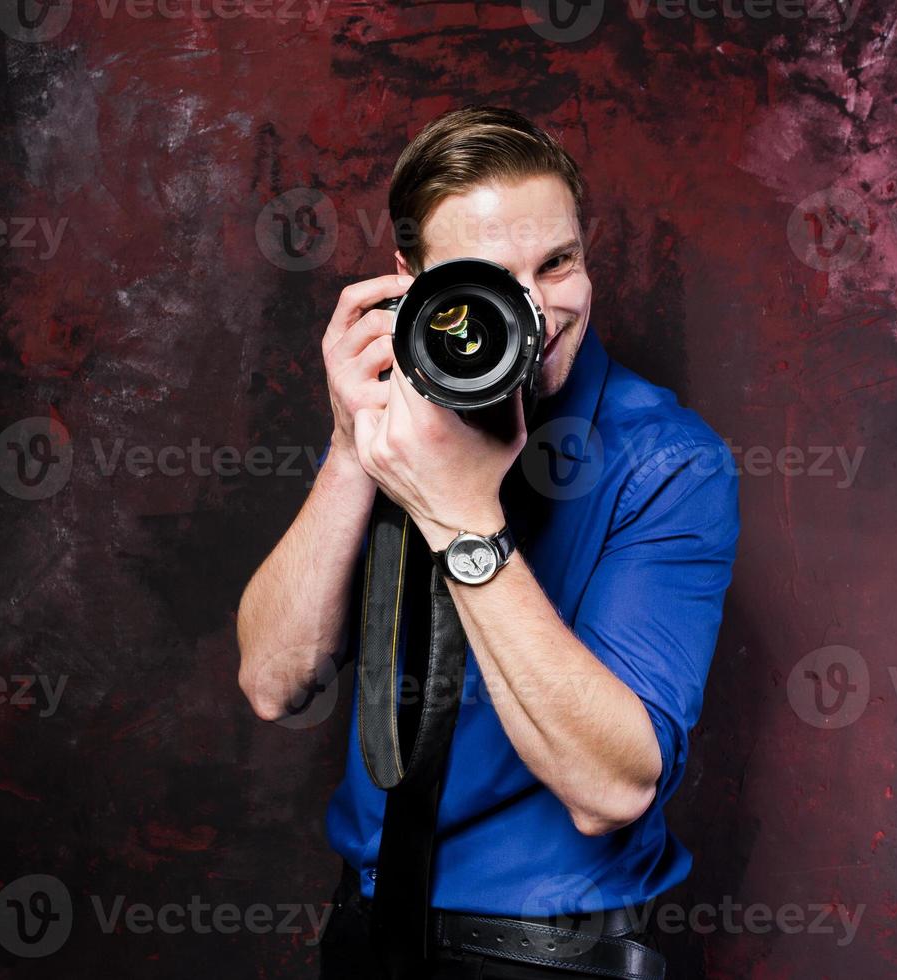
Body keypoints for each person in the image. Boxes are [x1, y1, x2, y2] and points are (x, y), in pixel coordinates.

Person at [237, 105, 740, 979]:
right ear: (411, 284)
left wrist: (463, 517)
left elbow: (612, 788)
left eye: (559, 263)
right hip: (362, 935)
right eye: (488, 278)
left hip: (549, 956)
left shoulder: (667, 460)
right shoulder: (393, 427)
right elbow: (273, 682)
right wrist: (352, 448)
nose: (534, 309)